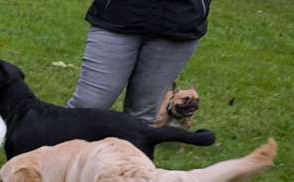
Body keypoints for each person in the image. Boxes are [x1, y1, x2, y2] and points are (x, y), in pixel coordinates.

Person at [67, 1, 211, 125]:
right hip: (118, 15)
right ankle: (61, 146)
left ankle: (130, 150)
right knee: (88, 106)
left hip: (180, 22)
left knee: (142, 117)